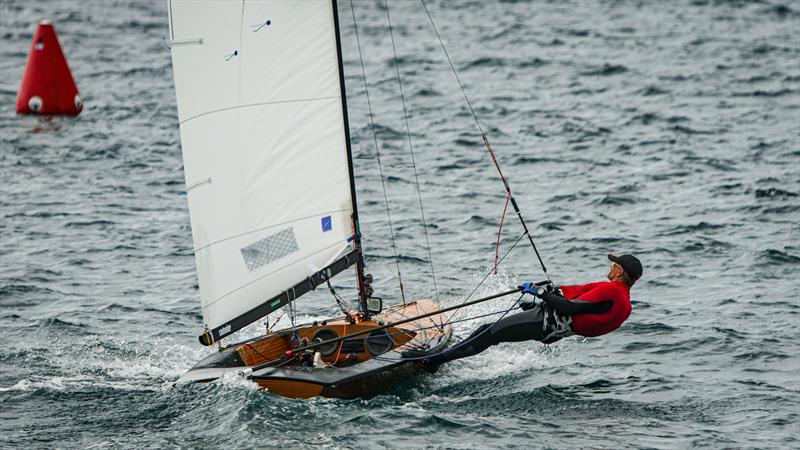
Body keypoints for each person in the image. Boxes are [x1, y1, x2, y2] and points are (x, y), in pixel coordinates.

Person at [403, 253, 643, 373]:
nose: (610, 268)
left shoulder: (613, 290)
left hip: (545, 323)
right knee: (487, 330)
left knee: (490, 333)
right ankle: (440, 357)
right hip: (551, 326)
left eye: (613, 265)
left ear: (620, 271)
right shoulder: (625, 303)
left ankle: (432, 361)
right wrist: (543, 303)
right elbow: (582, 312)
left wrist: (540, 293)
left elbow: (569, 308)